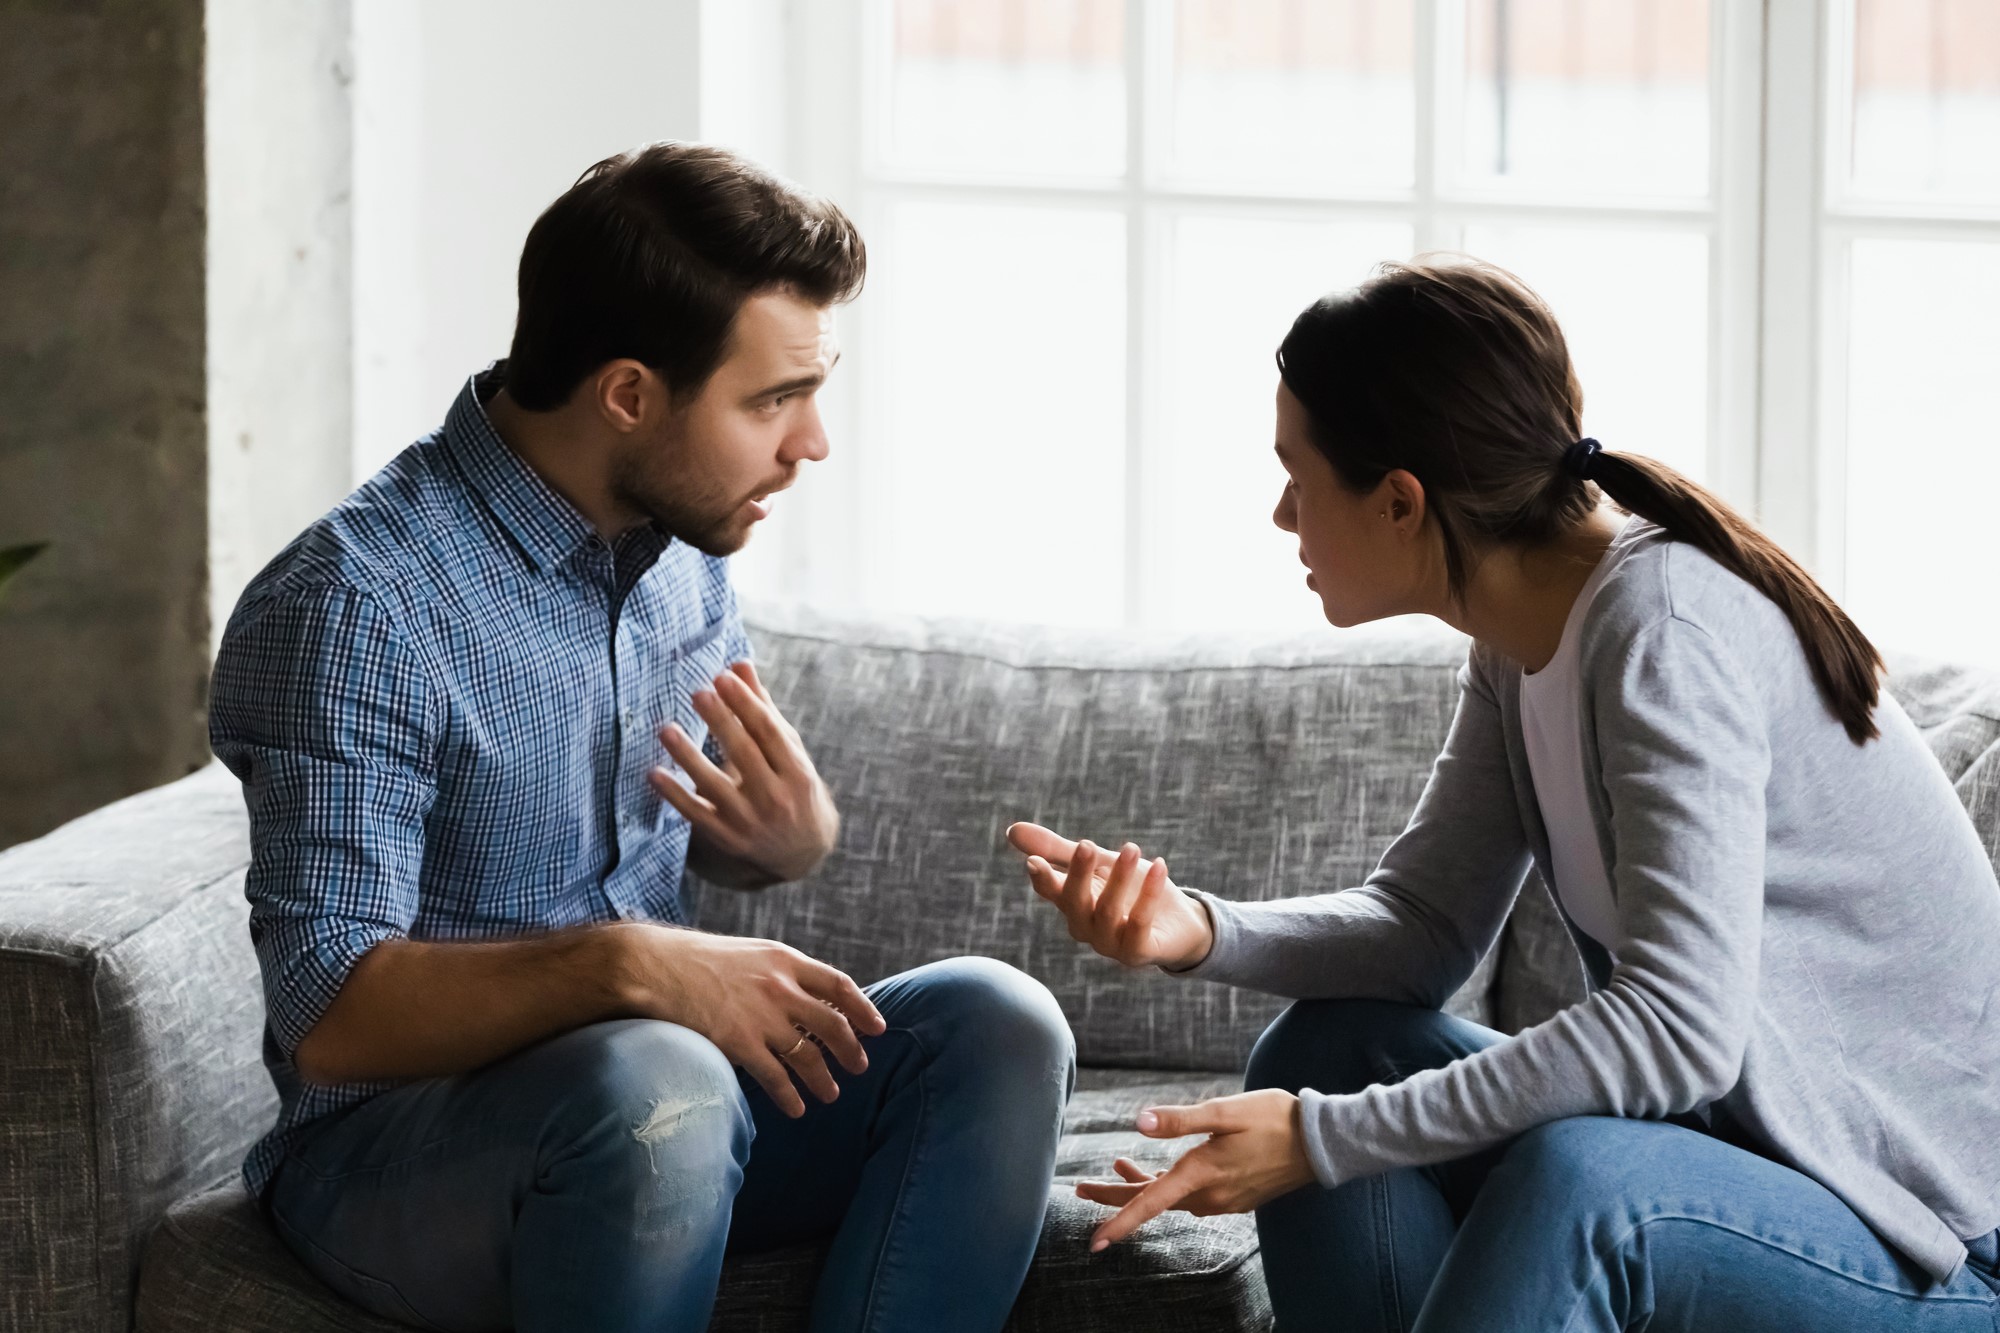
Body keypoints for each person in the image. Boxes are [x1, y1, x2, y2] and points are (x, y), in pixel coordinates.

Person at [1006, 257, 2000, 1331]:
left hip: (1927, 1246)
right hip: (1753, 1177)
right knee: (1327, 1050)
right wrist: (1196, 929)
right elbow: (1421, 928)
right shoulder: (1518, 638)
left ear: (1399, 501)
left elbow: (1676, 1031)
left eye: (1298, 472)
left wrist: (1317, 1140)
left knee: (1584, 1184)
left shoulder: (1662, 631)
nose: (1281, 511)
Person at [210, 141, 1073, 1333]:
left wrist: (776, 843)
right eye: (772, 399)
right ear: (628, 393)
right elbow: (332, 1017)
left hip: (665, 1117)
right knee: (655, 1077)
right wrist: (631, 963)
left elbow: (633, 834)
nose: (810, 442)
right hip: (398, 1154)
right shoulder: (352, 607)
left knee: (995, 1022)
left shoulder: (681, 549)